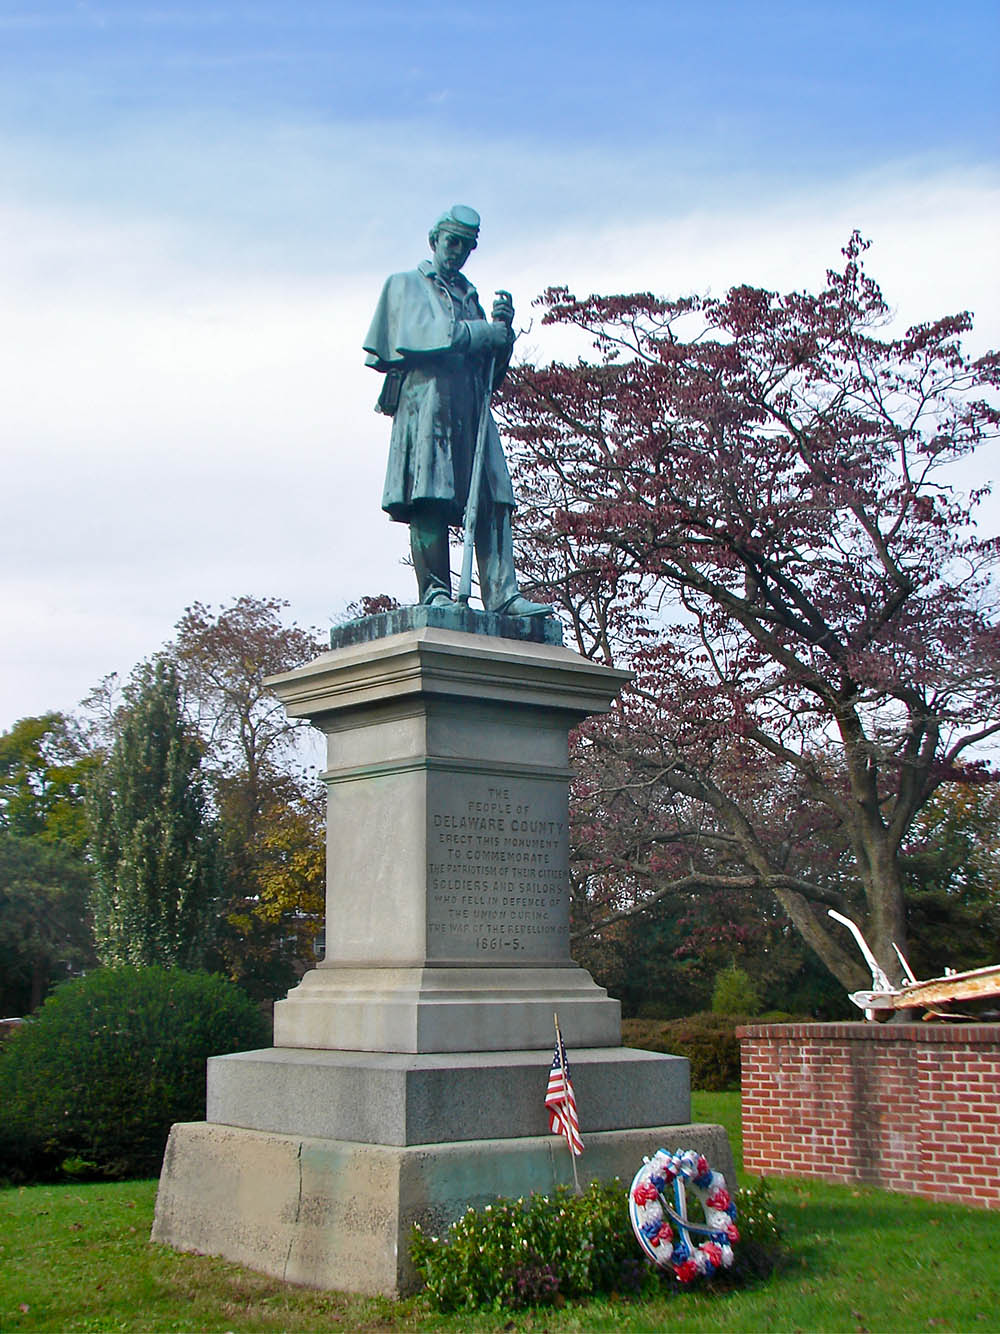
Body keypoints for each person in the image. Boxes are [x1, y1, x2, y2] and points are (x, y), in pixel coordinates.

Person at [363, 205, 551, 616]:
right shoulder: (406, 285)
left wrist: (503, 339)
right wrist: (484, 332)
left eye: (466, 247)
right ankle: (435, 591)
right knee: (430, 494)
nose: (457, 252)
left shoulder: (469, 295)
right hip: (427, 403)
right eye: (452, 242)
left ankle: (503, 594)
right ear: (435, 240)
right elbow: (423, 338)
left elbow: (489, 373)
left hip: (471, 405)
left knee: (493, 494)